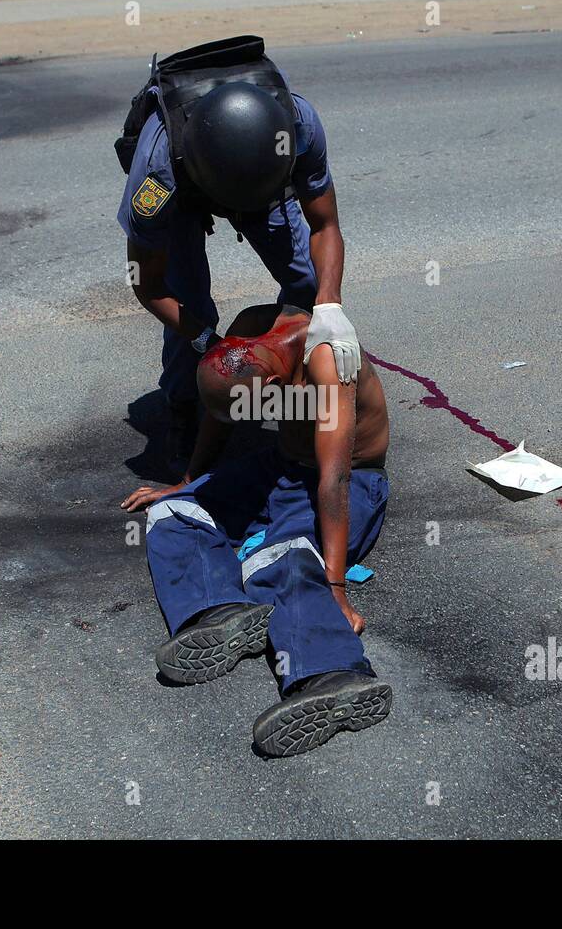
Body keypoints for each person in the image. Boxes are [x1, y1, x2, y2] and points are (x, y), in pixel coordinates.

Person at [121, 303, 391, 757]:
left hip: (351, 480)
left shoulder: (325, 362)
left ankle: (333, 674)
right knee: (175, 513)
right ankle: (220, 611)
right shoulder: (250, 329)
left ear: (267, 387)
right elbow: (219, 417)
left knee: (282, 557)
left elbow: (334, 479)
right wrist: (189, 481)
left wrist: (337, 588)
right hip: (280, 466)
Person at [117, 37, 360, 475]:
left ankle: (297, 389)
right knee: (192, 303)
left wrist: (330, 305)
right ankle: (184, 405)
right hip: (188, 196)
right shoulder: (157, 175)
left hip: (263, 180)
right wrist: (211, 345)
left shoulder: (297, 125)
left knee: (307, 283)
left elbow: (324, 226)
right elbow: (148, 285)